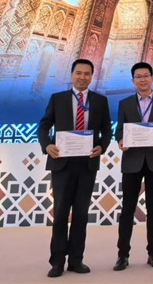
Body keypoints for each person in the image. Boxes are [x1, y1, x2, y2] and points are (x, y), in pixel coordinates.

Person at [37, 59, 112, 278]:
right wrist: (47, 145)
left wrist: (102, 146)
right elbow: (43, 126)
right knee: (61, 213)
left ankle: (76, 260)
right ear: (71, 75)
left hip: (87, 164)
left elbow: (107, 129)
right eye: (79, 73)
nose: (82, 77)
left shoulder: (100, 101)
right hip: (62, 163)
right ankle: (57, 261)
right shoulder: (58, 98)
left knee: (80, 214)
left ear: (92, 76)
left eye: (87, 74)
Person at [113, 62, 153, 271]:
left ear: (152, 78)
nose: (142, 79)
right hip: (132, 160)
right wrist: (121, 140)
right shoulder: (125, 103)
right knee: (128, 208)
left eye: (146, 75)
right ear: (133, 81)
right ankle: (122, 255)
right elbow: (119, 130)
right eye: (138, 76)